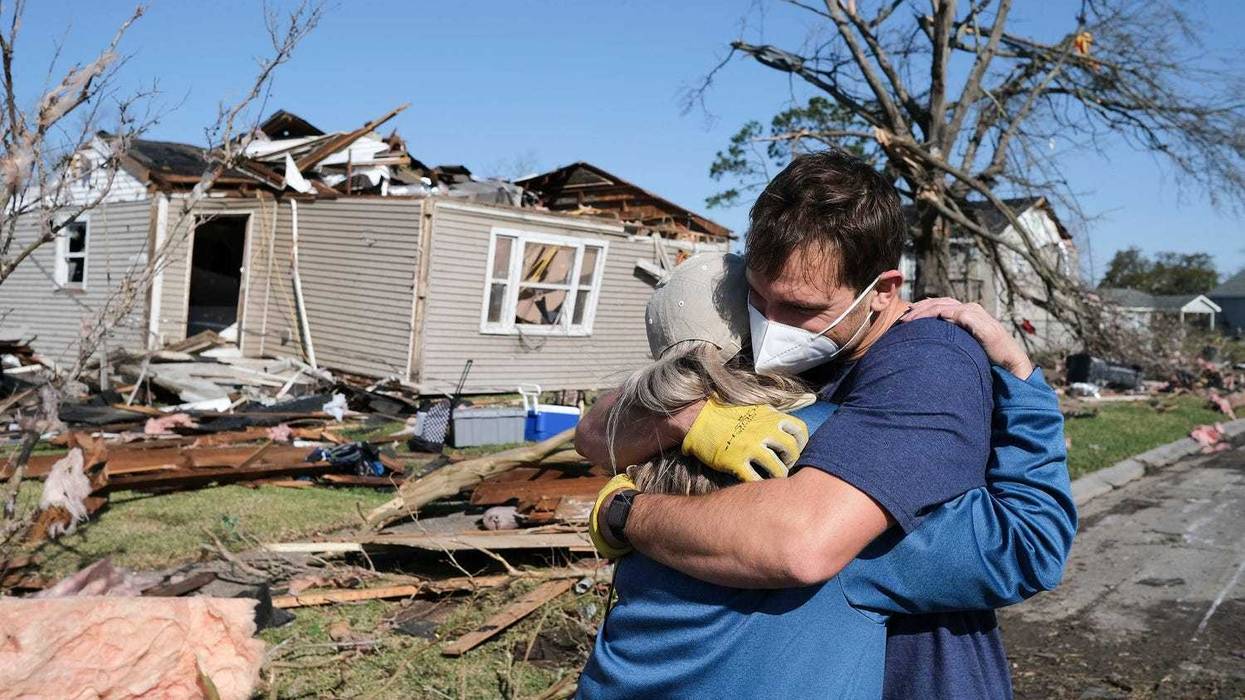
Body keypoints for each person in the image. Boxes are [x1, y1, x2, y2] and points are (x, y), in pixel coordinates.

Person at [576, 151, 1077, 698]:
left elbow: (804, 541)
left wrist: (627, 513)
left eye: (800, 308)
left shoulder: (926, 366)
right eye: (758, 298)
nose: (771, 328)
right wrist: (695, 417)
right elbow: (596, 430)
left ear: (883, 289)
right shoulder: (778, 383)